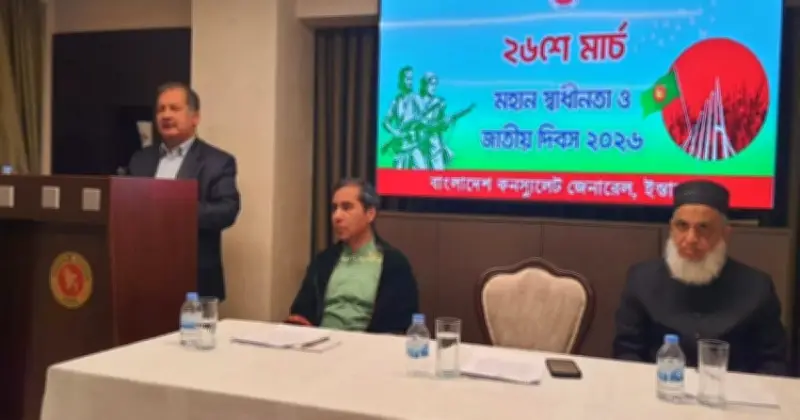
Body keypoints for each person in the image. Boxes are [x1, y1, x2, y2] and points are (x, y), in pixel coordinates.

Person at [612, 180, 787, 375]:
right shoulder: (641, 280)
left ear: (725, 234)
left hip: (731, 389)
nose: (691, 239)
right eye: (682, 226)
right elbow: (626, 352)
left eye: (703, 228)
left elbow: (774, 362)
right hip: (658, 386)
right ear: (671, 228)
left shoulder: (757, 288)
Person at [128, 82, 240, 301]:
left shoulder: (217, 162)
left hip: (194, 277)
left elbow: (227, 210)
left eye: (174, 108)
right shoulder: (140, 159)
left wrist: (175, 209)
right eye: (161, 109)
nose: (166, 115)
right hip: (142, 274)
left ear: (195, 117)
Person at [287, 179, 419, 334]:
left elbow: (400, 323)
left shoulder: (394, 264)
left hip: (369, 344)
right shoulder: (324, 260)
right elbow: (301, 311)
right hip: (322, 341)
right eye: (334, 208)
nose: (337, 216)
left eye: (346, 207)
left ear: (370, 214)